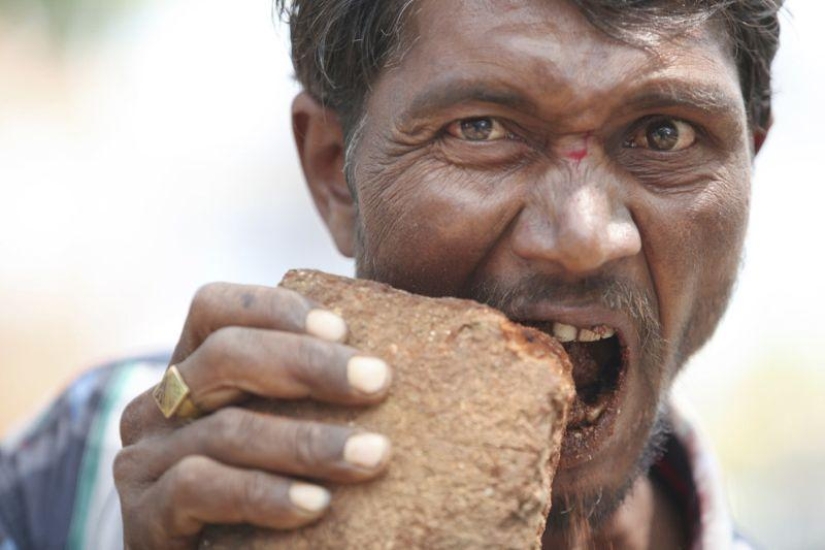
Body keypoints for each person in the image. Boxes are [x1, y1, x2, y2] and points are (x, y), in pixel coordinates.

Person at [0, 0, 783, 548]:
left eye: (665, 133)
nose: (582, 238)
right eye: (479, 128)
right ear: (333, 172)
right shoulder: (84, 472)